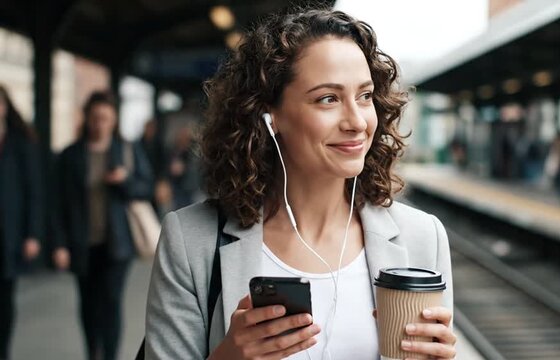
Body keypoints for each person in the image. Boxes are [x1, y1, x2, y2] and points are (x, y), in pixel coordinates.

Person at [145, 8, 456, 360]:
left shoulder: (423, 237)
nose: (356, 122)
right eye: (328, 99)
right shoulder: (191, 242)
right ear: (269, 115)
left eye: (365, 96)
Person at [52, 91, 153, 360]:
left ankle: (109, 355)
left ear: (114, 120)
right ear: (86, 118)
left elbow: (146, 188)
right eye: (95, 118)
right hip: (81, 242)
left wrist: (124, 181)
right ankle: (92, 353)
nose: (99, 124)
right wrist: (60, 244)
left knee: (110, 303)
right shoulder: (70, 156)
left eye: (105, 118)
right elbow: (58, 203)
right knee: (87, 305)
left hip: (117, 244)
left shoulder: (126, 150)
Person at [0, 85, 43, 360]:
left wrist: (33, 234)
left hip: (9, 235)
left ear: (4, 107)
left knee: (4, 299)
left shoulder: (21, 143)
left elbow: (34, 191)